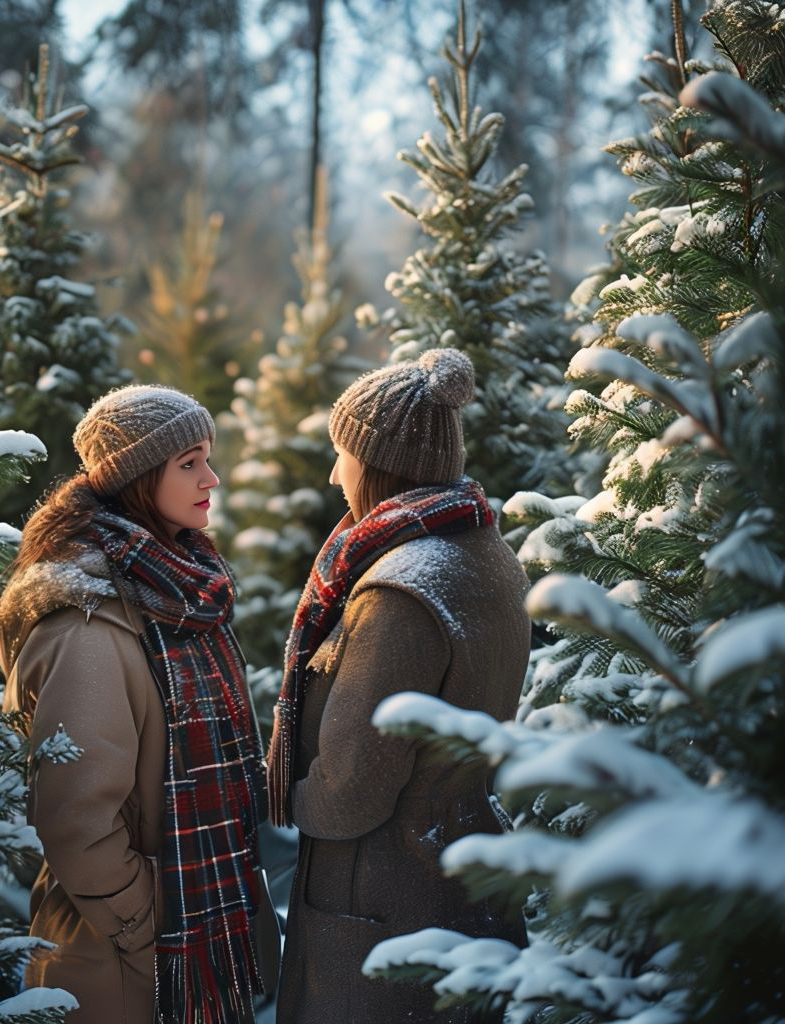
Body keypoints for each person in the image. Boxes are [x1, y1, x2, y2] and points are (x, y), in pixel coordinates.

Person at [0, 385, 278, 1024]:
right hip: (125, 966)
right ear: (136, 478)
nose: (212, 477)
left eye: (208, 457)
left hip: (198, 935)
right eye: (189, 463)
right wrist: (146, 926)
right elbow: (76, 821)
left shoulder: (176, 588)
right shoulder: (88, 627)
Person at [269, 348, 531, 1023]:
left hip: (383, 910)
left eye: (343, 455)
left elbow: (351, 792)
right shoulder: (482, 548)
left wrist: (282, 797)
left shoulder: (398, 594)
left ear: (381, 463)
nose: (334, 474)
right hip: (457, 877)